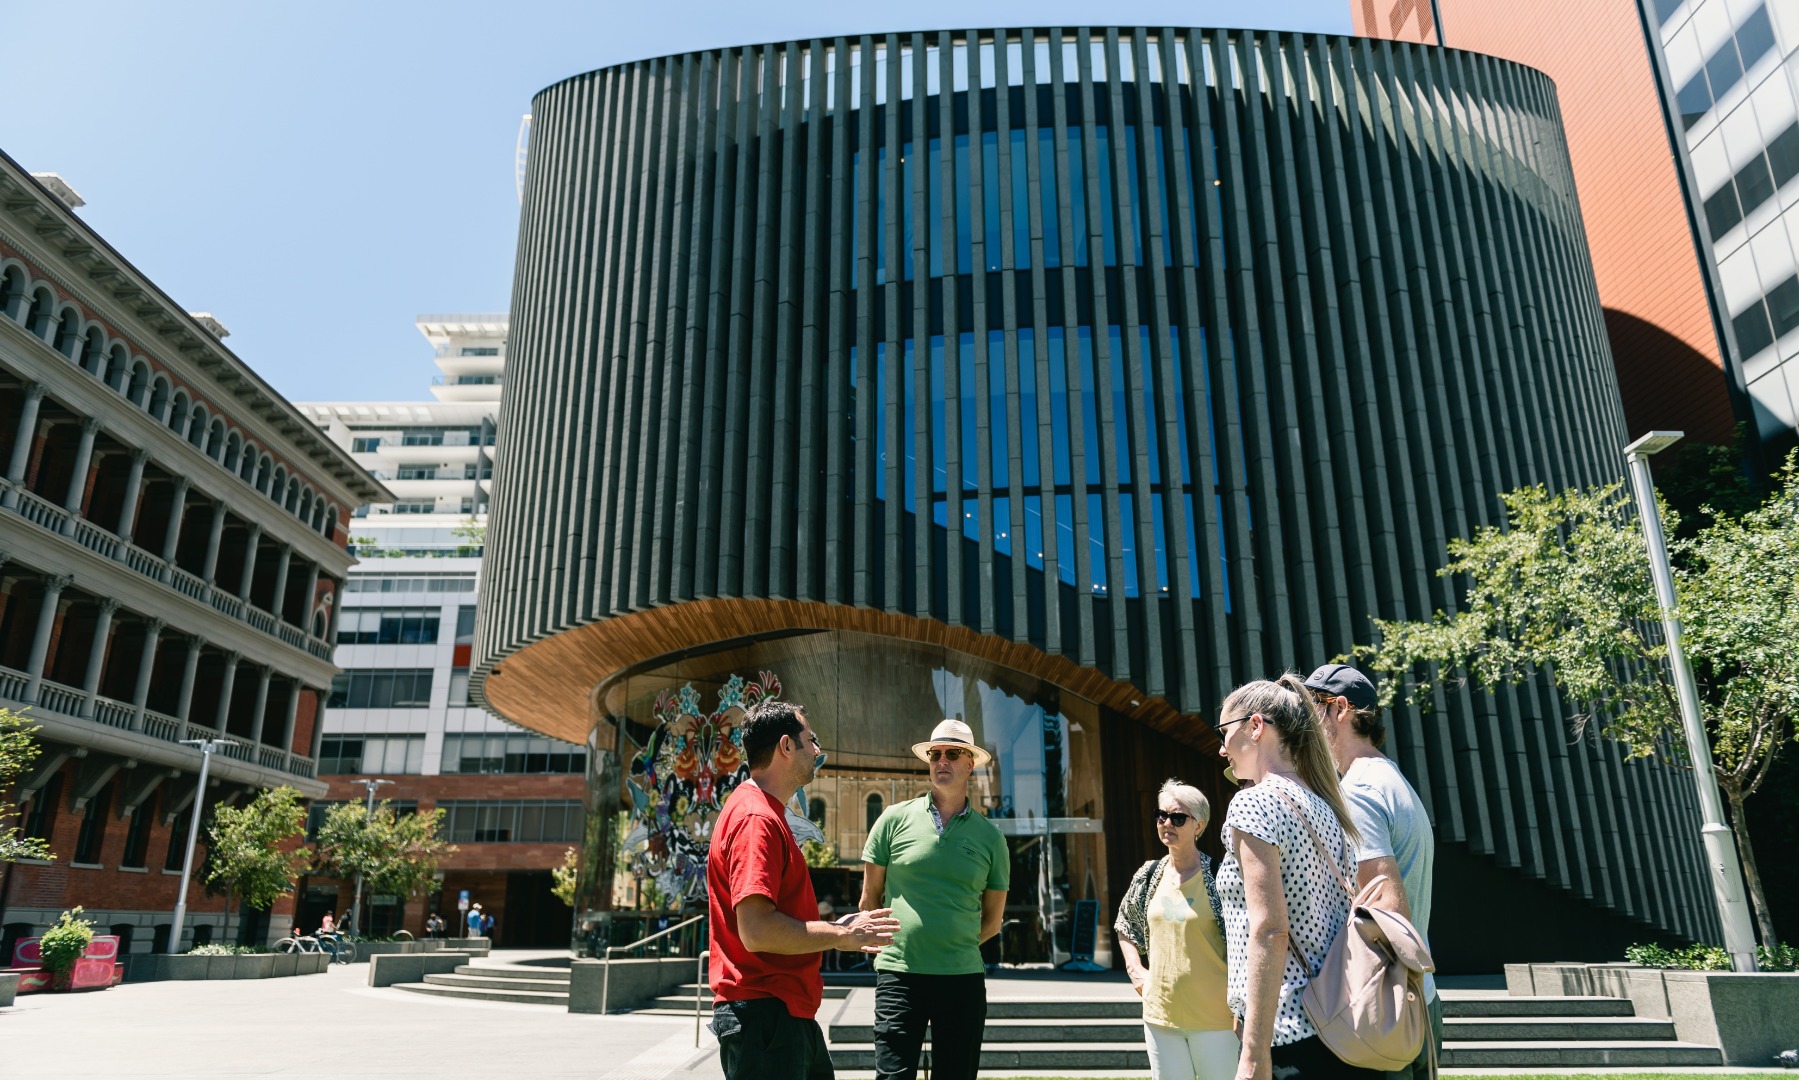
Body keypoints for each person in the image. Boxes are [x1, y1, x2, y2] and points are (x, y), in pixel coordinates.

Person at [708, 699, 900, 1080]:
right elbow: (757, 930)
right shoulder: (756, 819)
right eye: (811, 740)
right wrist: (841, 935)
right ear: (786, 746)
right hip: (766, 1017)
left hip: (781, 1015)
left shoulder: (764, 812)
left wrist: (841, 927)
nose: (816, 751)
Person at [1213, 674, 1380, 1080]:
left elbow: (1270, 930)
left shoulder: (1252, 803)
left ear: (1255, 726)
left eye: (1224, 732)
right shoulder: (1326, 806)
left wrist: (1254, 1051)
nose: (1221, 748)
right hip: (1339, 1021)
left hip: (1287, 1030)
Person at [1307, 663, 1438, 1080]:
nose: (1305, 719)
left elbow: (1387, 907)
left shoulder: (1358, 791)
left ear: (1340, 708)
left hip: (1387, 1012)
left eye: (1312, 705)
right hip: (1417, 1000)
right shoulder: (1390, 777)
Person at [860, 719, 1010, 1080]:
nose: (941, 760)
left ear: (969, 764)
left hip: (962, 980)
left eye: (952, 753)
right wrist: (893, 946)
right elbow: (869, 901)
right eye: (935, 754)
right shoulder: (892, 820)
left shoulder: (991, 838)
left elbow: (992, 922)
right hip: (898, 976)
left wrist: (951, 946)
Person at [1114, 779, 1238, 1080]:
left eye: (1178, 818)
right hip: (1160, 1018)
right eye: (1162, 815)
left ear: (1199, 825)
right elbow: (1125, 922)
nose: (1167, 823)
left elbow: (1244, 942)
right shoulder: (1148, 874)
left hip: (1216, 1020)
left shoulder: (1221, 877)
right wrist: (1134, 969)